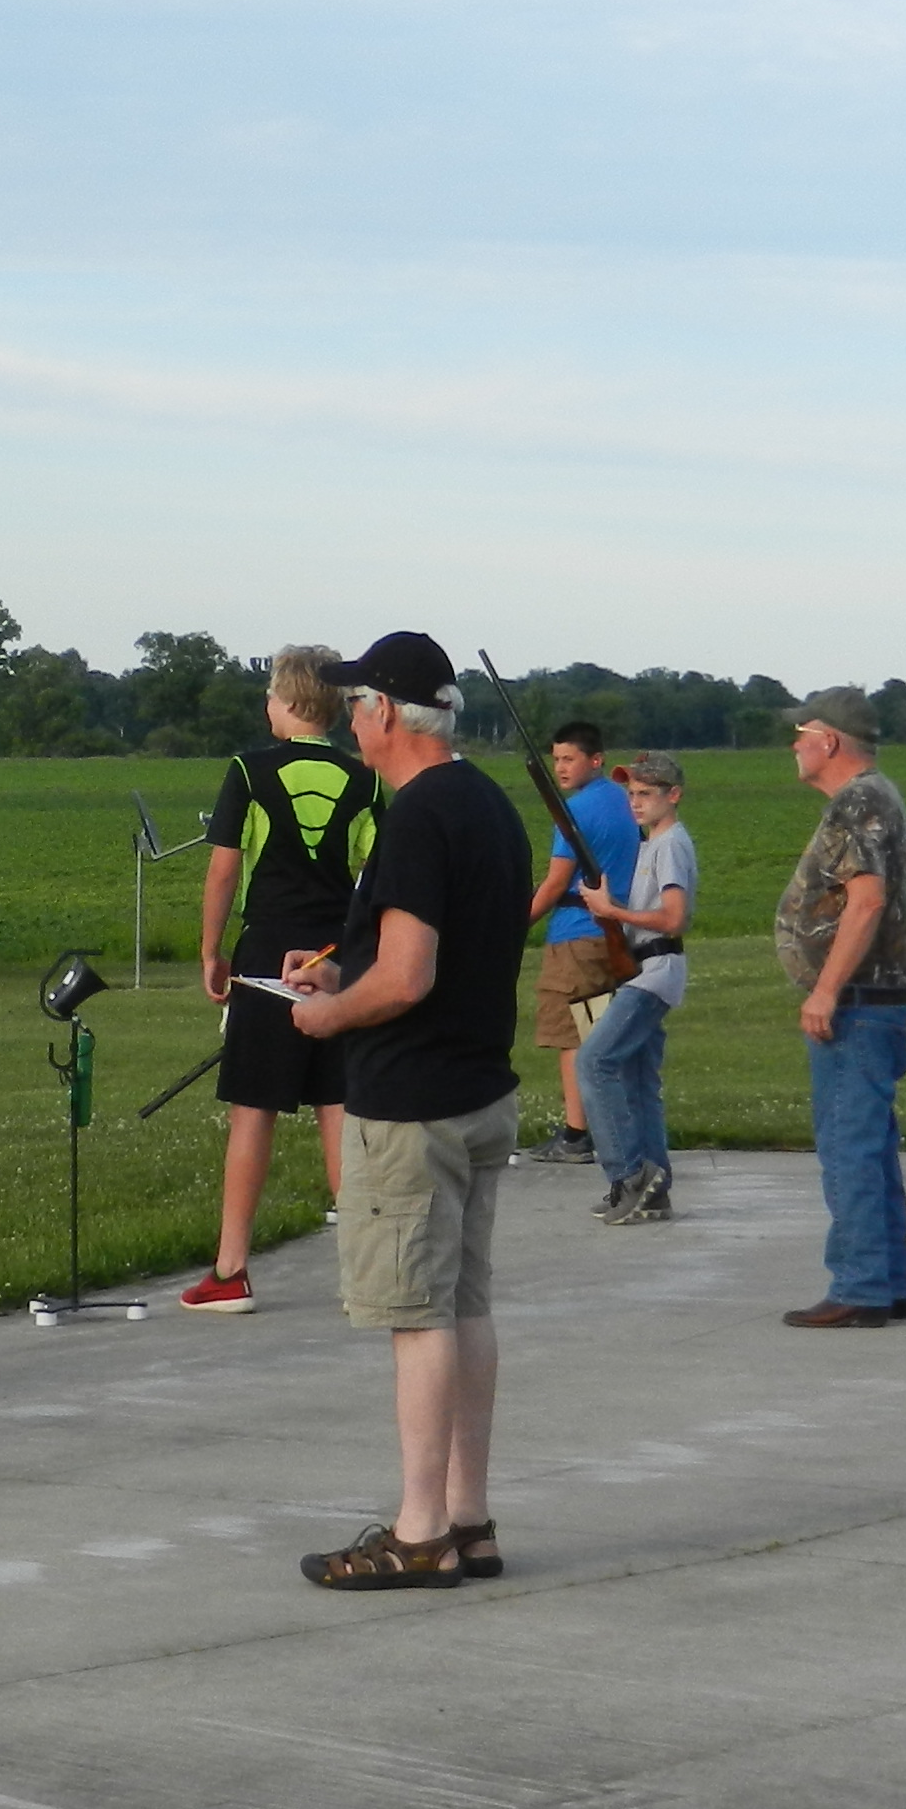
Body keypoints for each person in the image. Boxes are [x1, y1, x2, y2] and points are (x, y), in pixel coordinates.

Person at [284, 632, 532, 1589]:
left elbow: (410, 977)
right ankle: (469, 1517)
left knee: (415, 1315)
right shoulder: (484, 805)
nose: (351, 720)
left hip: (413, 1101)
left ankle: (419, 1529)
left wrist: (323, 1013)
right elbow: (440, 947)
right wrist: (342, 964)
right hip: (478, 1089)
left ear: (387, 713)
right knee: (463, 1305)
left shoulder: (418, 816)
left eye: (357, 706)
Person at [178, 647, 378, 1313]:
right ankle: (369, 1271)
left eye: (269, 692)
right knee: (338, 1109)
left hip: (265, 955)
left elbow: (224, 869)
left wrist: (212, 950)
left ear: (289, 702)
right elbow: (376, 877)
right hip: (335, 958)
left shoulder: (248, 770)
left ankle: (231, 1270)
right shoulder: (365, 779)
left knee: (253, 1112)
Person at [774, 687, 906, 1332]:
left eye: (801, 733)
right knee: (871, 1145)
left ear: (829, 741)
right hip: (880, 1000)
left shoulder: (857, 801)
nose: (794, 746)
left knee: (849, 1147)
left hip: (858, 1006)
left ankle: (860, 1284)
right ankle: (886, 1280)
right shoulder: (881, 795)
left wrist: (826, 988)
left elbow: (865, 899)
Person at [573, 751, 696, 1222]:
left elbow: (673, 917)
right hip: (646, 968)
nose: (636, 802)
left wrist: (613, 912)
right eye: (631, 792)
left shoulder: (669, 846)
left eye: (646, 793)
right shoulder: (652, 845)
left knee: (596, 1060)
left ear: (673, 795)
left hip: (655, 971)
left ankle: (628, 1174)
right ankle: (654, 1183)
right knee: (639, 1079)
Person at [522, 718, 645, 1162]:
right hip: (614, 932)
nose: (561, 768)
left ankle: (576, 1134)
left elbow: (556, 883)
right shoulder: (622, 799)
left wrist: (516, 926)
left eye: (569, 759)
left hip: (576, 934)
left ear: (596, 760)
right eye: (556, 759)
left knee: (572, 1038)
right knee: (600, 1036)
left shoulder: (576, 812)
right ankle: (608, 1129)